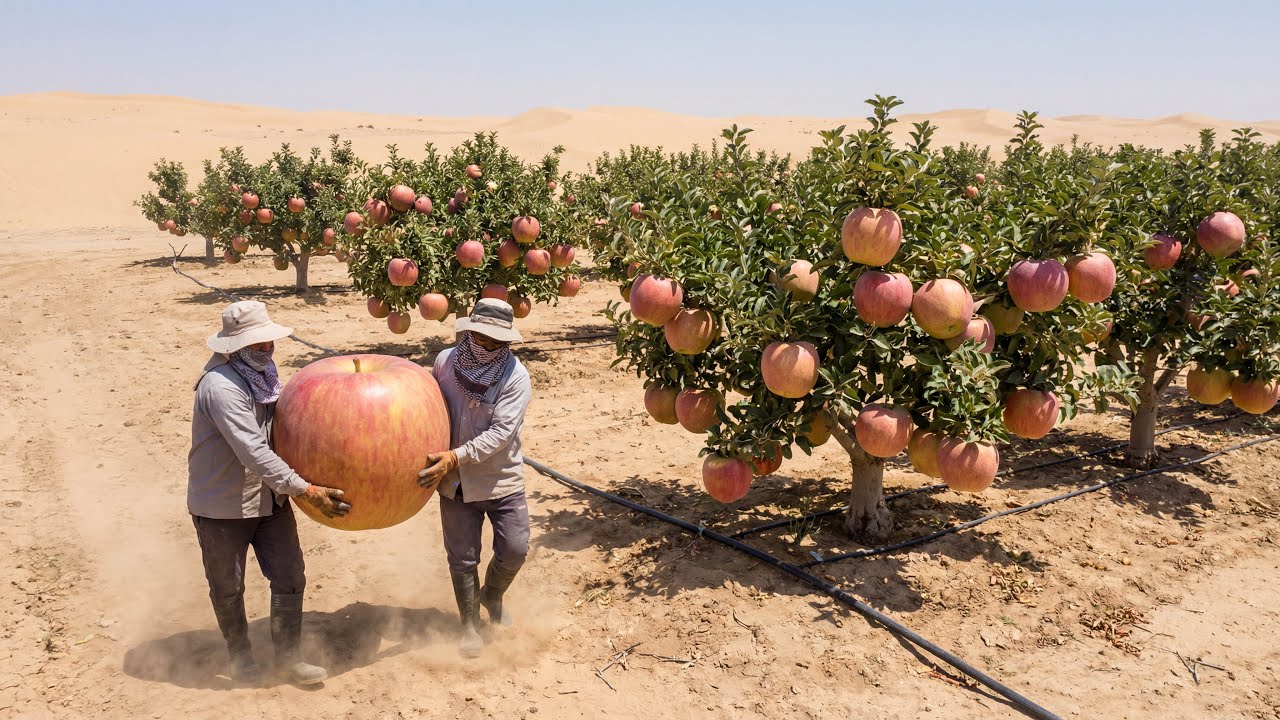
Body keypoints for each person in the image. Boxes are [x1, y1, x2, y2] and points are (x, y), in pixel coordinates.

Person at [188, 300, 350, 685]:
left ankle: (289, 658)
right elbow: (254, 450)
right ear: (233, 347)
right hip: (222, 505)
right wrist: (305, 489)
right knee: (228, 585)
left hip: (269, 498)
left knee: (290, 574)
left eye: (268, 343)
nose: (266, 350)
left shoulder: (265, 375)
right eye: (256, 345)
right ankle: (239, 656)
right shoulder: (220, 387)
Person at [418, 299, 533, 658]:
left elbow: (501, 434)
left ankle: (493, 594)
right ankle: (469, 623)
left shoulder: (516, 376)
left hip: (501, 479)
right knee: (462, 557)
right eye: (480, 338)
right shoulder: (445, 363)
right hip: (454, 483)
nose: (486, 347)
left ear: (507, 342)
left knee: (515, 549)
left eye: (495, 343)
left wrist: (457, 456)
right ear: (468, 332)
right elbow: (429, 409)